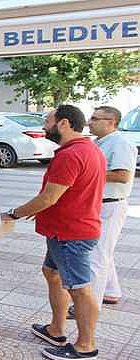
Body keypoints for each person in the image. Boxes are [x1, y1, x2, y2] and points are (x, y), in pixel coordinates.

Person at [2, 105, 105, 360]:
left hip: (71, 234)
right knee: (52, 273)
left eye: (48, 121)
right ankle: (56, 330)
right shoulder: (88, 149)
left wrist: (14, 213)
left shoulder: (70, 155)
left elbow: (48, 197)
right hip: (65, 229)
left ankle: (85, 346)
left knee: (79, 288)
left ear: (64, 124)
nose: (44, 126)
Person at [84, 106, 137, 305]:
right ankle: (111, 290)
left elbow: (122, 176)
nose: (90, 122)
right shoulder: (99, 142)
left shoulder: (120, 143)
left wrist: (86, 174)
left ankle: (91, 304)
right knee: (104, 251)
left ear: (111, 121)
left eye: (96, 118)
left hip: (110, 205)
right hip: (99, 204)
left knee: (97, 256)